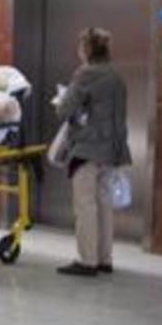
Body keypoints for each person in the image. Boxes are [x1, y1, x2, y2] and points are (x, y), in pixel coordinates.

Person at [54, 28, 131, 277]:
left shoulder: (86, 74)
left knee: (85, 206)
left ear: (86, 49)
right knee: (104, 205)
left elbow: (64, 111)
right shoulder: (116, 76)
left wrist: (63, 100)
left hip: (88, 149)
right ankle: (104, 259)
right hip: (112, 150)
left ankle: (87, 261)